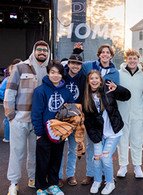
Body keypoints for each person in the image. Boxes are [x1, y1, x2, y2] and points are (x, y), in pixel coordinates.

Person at [4, 40, 50, 195]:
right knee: (16, 152)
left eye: (45, 50)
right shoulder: (20, 67)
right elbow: (10, 92)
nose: (42, 52)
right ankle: (13, 183)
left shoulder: (49, 70)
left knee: (35, 153)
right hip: (19, 119)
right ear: (34, 51)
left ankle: (33, 178)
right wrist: (11, 115)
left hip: (38, 121)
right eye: (39, 50)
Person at [73, 43, 120, 185]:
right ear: (98, 54)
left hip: (106, 116)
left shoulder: (115, 72)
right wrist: (76, 51)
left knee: (105, 147)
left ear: (111, 56)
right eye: (102, 52)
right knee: (92, 145)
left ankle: (107, 174)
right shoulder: (89, 66)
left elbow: (114, 93)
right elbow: (75, 65)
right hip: (92, 113)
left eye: (108, 52)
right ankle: (90, 174)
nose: (105, 54)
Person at [83, 70, 130, 194]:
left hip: (113, 132)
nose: (94, 81)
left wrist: (117, 88)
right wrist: (94, 137)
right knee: (97, 158)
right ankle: (97, 181)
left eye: (96, 78)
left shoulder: (108, 90)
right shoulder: (87, 97)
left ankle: (110, 182)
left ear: (100, 80)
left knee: (106, 157)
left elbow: (127, 96)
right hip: (98, 134)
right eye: (91, 78)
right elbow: (87, 120)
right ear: (88, 81)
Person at [31, 60, 74, 195]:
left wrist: (67, 128)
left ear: (62, 75)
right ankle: (41, 187)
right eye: (52, 72)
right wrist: (39, 131)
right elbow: (36, 112)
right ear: (48, 74)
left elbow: (71, 111)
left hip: (59, 132)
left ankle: (53, 184)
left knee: (56, 159)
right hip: (44, 132)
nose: (55, 76)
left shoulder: (66, 92)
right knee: (42, 160)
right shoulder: (40, 91)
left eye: (58, 73)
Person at [116, 49, 143, 178]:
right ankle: (123, 166)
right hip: (122, 111)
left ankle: (137, 166)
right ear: (126, 60)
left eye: (135, 58)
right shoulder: (118, 74)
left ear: (138, 60)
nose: (132, 61)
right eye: (130, 58)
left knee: (137, 140)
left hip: (138, 112)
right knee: (122, 140)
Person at [58, 53, 86, 187]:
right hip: (62, 118)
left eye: (78, 64)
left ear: (81, 66)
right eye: (73, 63)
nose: (75, 66)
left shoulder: (84, 79)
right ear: (68, 64)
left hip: (76, 118)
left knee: (73, 149)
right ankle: (58, 175)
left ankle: (70, 174)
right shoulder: (61, 77)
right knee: (59, 149)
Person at [0, 58, 21, 142]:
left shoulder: (7, 79)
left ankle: (8, 137)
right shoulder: (9, 80)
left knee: (10, 119)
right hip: (11, 103)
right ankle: (8, 137)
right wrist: (6, 99)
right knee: (9, 119)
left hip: (12, 102)